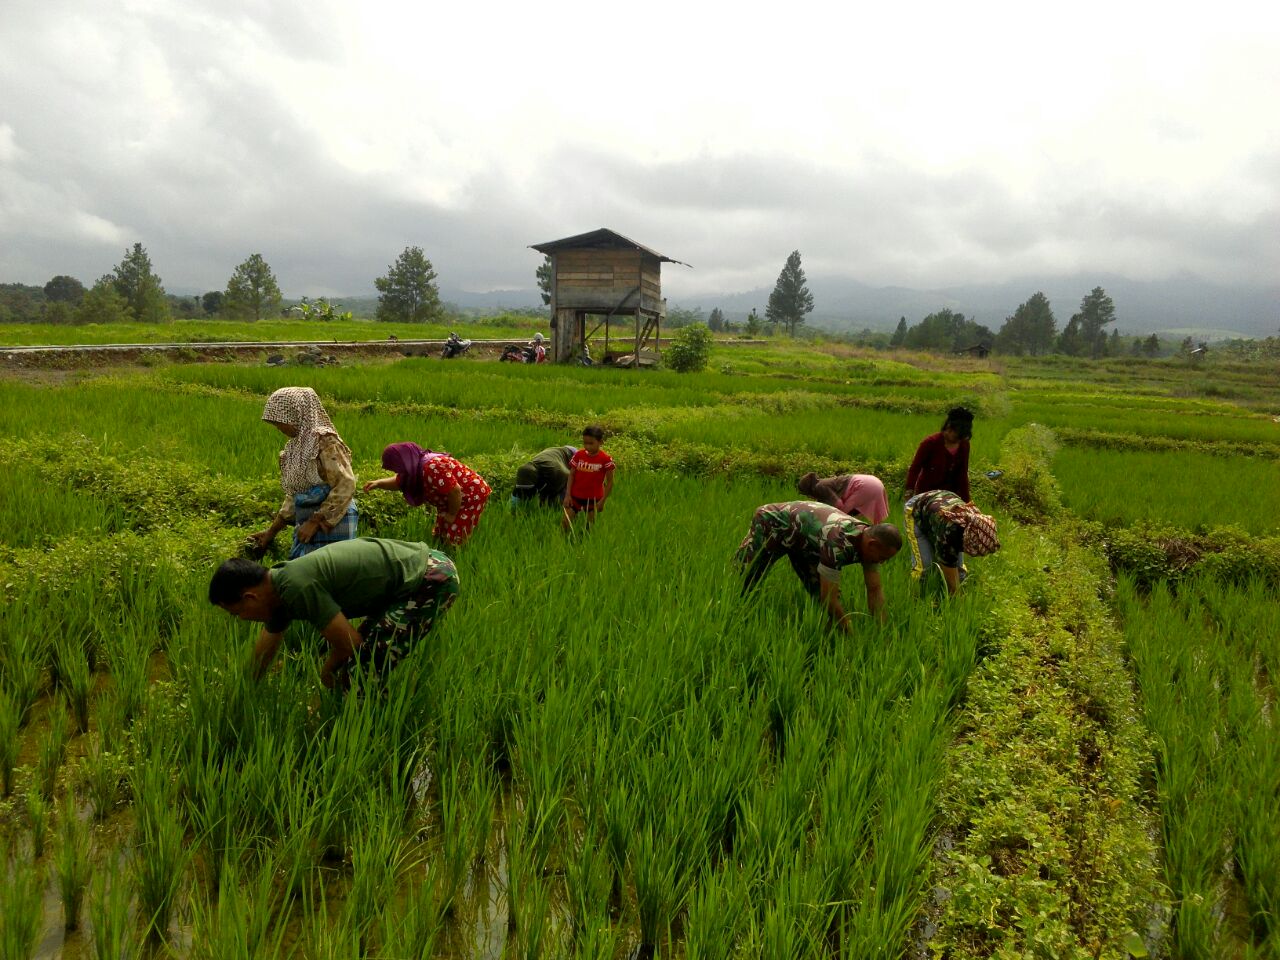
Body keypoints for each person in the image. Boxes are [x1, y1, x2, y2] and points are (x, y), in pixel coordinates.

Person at [208, 537, 459, 688]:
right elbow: (267, 643)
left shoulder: (295, 587)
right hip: (416, 573)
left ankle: (371, 735)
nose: (242, 619)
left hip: (430, 576)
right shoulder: (277, 588)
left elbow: (349, 643)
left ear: (250, 597)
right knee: (362, 662)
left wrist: (325, 671)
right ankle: (364, 719)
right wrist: (247, 685)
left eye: (237, 613)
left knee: (361, 672)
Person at [735, 501, 901, 631]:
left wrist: (882, 630)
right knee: (744, 580)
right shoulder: (838, 541)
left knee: (819, 591)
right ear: (872, 545)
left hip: (806, 542)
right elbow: (829, 597)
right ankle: (736, 618)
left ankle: (828, 638)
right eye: (882, 558)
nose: (882, 562)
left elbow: (874, 589)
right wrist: (850, 632)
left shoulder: (869, 543)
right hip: (772, 523)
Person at [249, 387, 358, 559]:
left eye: (279, 421)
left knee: (327, 574)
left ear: (295, 413)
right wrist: (271, 531)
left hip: (332, 523)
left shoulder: (325, 442)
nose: (278, 427)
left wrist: (316, 521)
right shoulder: (295, 448)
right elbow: (295, 494)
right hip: (308, 523)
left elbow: (346, 484)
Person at [364, 443, 491, 548]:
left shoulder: (431, 467)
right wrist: (378, 483)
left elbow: (455, 491)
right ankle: (442, 553)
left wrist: (452, 514)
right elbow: (399, 482)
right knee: (440, 533)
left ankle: (454, 558)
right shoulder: (414, 467)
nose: (397, 472)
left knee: (453, 536)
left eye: (397, 468)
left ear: (404, 461)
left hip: (471, 495)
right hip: (451, 499)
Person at [904, 490, 1000, 595]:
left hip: (939, 504)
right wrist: (955, 595)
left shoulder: (977, 523)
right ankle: (917, 597)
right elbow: (948, 563)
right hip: (916, 508)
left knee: (959, 571)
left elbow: (954, 563)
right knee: (925, 567)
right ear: (968, 540)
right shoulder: (949, 532)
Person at [904, 406, 973, 503]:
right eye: (955, 436)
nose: (957, 440)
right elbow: (915, 468)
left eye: (960, 438)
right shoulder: (930, 443)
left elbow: (963, 474)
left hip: (950, 496)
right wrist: (909, 492)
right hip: (927, 495)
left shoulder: (964, 445)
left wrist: (967, 502)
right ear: (948, 427)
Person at [562, 425, 614, 531]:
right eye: (585, 443)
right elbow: (571, 475)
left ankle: (584, 544)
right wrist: (567, 495)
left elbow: (610, 482)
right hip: (575, 497)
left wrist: (602, 501)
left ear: (600, 442)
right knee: (565, 524)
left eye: (591, 443)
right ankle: (563, 543)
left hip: (594, 500)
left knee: (589, 528)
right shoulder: (579, 455)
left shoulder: (606, 459)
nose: (587, 446)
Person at [796, 472, 890, 523]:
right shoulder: (824, 483)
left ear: (809, 490)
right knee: (876, 525)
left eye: (806, 494)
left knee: (841, 517)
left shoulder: (819, 487)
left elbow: (839, 505)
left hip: (863, 485)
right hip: (875, 482)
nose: (808, 497)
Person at [510, 445, 577, 509]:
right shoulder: (525, 470)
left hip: (528, 469)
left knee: (521, 494)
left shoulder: (555, 464)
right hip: (551, 462)